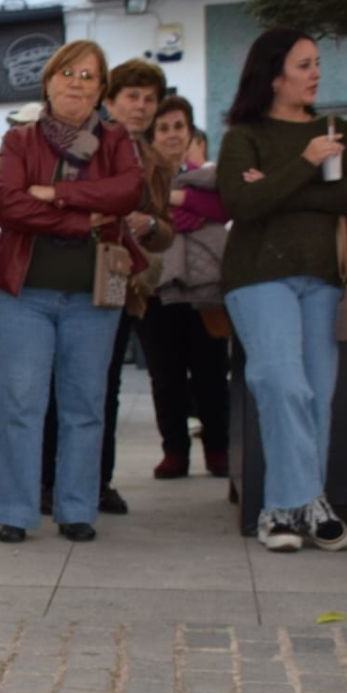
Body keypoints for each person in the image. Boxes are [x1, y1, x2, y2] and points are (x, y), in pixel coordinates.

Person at [217, 27, 347, 553]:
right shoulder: (244, 134)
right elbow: (241, 203)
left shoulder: (337, 128)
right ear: (275, 74)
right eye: (304, 65)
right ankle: (295, 504)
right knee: (283, 384)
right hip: (257, 276)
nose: (316, 74)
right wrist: (307, 165)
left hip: (322, 276)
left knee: (316, 394)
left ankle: (293, 508)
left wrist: (277, 186)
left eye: (316, 64)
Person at [0, 39, 144, 544]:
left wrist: (56, 195)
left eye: (89, 76)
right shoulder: (20, 140)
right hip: (22, 295)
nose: (76, 83)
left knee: (85, 405)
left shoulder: (117, 141)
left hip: (93, 298)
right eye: (67, 73)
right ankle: (15, 511)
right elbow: (7, 206)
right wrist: (84, 219)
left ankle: (77, 508)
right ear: (49, 81)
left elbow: (127, 193)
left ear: (101, 90)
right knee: (21, 404)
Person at [39, 58, 176, 519]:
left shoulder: (156, 160)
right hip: (71, 274)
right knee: (63, 385)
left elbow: (167, 229)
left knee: (105, 386)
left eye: (149, 99)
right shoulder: (84, 143)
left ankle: (97, 481)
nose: (141, 107)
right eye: (131, 97)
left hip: (122, 282)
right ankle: (47, 481)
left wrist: (150, 223)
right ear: (110, 101)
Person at [139, 95, 231, 479]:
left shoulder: (209, 176)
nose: (172, 134)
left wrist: (177, 203)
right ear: (152, 136)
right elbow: (146, 215)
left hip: (205, 289)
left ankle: (218, 449)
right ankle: (174, 450)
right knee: (165, 376)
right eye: (164, 128)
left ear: (190, 132)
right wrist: (187, 208)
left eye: (179, 126)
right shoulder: (139, 179)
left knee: (211, 372)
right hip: (157, 288)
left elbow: (223, 209)